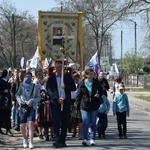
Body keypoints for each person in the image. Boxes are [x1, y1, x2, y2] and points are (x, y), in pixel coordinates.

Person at [46, 61, 76, 148]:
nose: (59, 68)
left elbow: (73, 88)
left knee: (65, 122)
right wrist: (56, 98)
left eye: (60, 67)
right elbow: (49, 90)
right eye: (57, 67)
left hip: (65, 103)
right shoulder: (51, 78)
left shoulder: (67, 77)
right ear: (55, 68)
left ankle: (63, 140)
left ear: (63, 68)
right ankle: (56, 140)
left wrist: (66, 87)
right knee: (56, 121)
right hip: (55, 103)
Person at [76, 68, 104, 146]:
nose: (91, 76)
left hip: (94, 105)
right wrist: (77, 106)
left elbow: (102, 91)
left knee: (93, 123)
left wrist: (99, 94)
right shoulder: (82, 83)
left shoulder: (96, 82)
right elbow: (79, 95)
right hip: (84, 106)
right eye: (90, 74)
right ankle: (85, 139)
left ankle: (92, 138)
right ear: (86, 75)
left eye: (92, 74)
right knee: (86, 122)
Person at [16, 75, 40, 149]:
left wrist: (32, 100)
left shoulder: (35, 86)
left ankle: (31, 142)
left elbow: (38, 97)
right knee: (22, 125)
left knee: (30, 124)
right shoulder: (21, 86)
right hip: (23, 106)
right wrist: (19, 101)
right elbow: (17, 95)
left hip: (31, 107)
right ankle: (25, 138)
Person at [0, 69, 13, 136]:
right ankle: (7, 129)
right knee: (3, 115)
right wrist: (3, 91)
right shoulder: (1, 81)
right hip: (2, 101)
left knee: (7, 115)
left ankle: (7, 129)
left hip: (7, 100)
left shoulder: (7, 81)